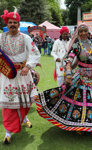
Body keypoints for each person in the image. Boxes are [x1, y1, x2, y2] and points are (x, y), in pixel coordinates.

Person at [0, 8, 41, 144]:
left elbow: (36, 53)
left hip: (24, 74)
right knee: (8, 104)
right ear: (7, 24)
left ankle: (24, 119)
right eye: (10, 22)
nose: (12, 24)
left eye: (15, 22)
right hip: (7, 76)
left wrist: (28, 66)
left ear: (18, 24)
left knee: (25, 102)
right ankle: (7, 133)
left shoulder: (26, 38)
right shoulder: (1, 37)